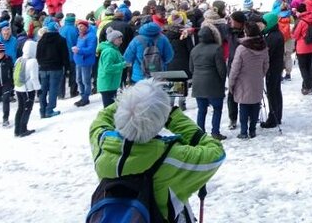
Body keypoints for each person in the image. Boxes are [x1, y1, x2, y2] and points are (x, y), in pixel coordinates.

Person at [89, 80, 225, 222]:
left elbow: (102, 118)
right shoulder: (171, 157)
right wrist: (172, 116)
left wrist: (133, 99)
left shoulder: (102, 144)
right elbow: (216, 152)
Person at [227, 21, 269, 139]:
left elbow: (235, 68)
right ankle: (253, 130)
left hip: (243, 81)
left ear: (246, 33)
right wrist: (260, 75)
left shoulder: (242, 48)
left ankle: (244, 131)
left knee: (244, 107)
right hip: (257, 80)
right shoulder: (263, 46)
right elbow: (266, 64)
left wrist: (231, 82)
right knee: (256, 104)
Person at [190, 25, 227, 139]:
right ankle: (215, 132)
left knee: (201, 110)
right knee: (217, 109)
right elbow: (221, 69)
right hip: (213, 84)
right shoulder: (216, 48)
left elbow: (191, 68)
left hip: (198, 84)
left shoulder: (194, 49)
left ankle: (200, 133)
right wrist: (222, 82)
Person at [36, 19, 70, 118]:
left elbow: (38, 55)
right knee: (53, 89)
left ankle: (42, 109)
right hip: (56, 68)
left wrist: (41, 64)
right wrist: (67, 67)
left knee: (43, 89)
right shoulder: (61, 40)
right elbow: (65, 55)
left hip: (43, 68)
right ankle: (49, 109)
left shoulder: (41, 40)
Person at [261, 11, 284, 128]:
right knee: (276, 92)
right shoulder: (274, 34)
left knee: (272, 93)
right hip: (276, 66)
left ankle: (273, 118)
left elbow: (267, 54)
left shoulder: (273, 37)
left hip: (273, 68)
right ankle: (277, 116)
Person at [14, 40, 40, 137]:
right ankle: (23, 129)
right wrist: (38, 89)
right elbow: (34, 77)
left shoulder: (19, 59)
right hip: (28, 89)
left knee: (20, 108)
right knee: (27, 108)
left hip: (18, 87)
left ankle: (17, 129)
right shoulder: (33, 61)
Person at [72, 19, 98, 106]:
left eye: (81, 26)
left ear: (86, 27)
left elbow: (91, 49)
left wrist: (79, 50)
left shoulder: (91, 36)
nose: (79, 28)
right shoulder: (80, 35)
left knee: (85, 80)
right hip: (78, 60)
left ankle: (86, 97)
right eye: (78, 26)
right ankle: (82, 95)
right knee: (78, 79)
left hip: (86, 61)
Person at [293, 4, 312, 95]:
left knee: (303, 68)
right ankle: (305, 86)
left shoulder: (301, 21)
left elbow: (295, 35)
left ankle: (308, 86)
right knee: (308, 67)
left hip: (302, 48)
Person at [97, 29, 125, 107]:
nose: (121, 41)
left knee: (112, 108)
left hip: (111, 84)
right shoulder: (109, 51)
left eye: (121, 39)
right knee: (109, 109)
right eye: (119, 39)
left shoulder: (114, 50)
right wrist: (123, 64)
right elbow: (108, 68)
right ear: (113, 40)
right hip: (107, 85)